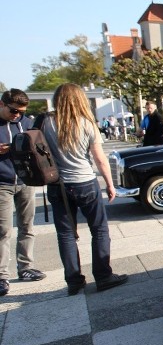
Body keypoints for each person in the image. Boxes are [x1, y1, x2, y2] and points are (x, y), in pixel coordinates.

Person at [41, 83, 127, 295]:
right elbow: (99, 159)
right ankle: (103, 276)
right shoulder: (86, 124)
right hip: (84, 181)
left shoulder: (46, 123)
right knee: (99, 229)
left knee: (66, 234)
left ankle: (73, 280)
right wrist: (109, 183)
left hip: (57, 184)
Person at [0, 89, 44, 297]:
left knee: (27, 226)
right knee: (3, 231)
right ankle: (1, 276)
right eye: (14, 111)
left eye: (21, 112)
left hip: (26, 181)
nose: (17, 115)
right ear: (2, 104)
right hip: (2, 183)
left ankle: (25, 267)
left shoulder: (26, 123)